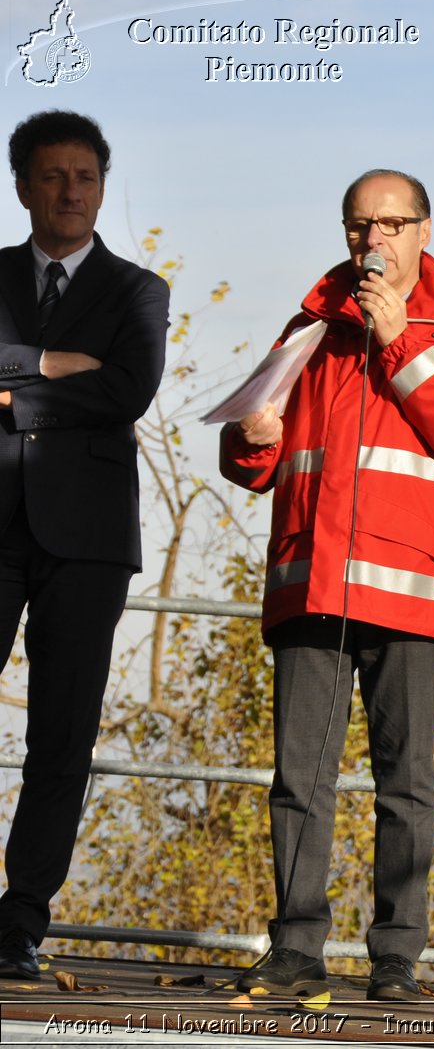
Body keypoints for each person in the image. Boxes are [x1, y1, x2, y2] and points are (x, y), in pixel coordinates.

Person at [219, 169, 434, 1001]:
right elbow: (254, 465)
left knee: (406, 781)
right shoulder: (311, 324)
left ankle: (396, 958)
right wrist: (252, 438)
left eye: (392, 223)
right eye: (360, 224)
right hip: (310, 583)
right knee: (298, 780)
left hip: (415, 590)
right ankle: (295, 948)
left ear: (426, 229)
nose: (373, 240)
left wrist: (403, 344)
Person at [0, 110, 169, 980]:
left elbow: (130, 389)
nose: (71, 191)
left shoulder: (139, 290)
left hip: (89, 537)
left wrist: (12, 378)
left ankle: (20, 920)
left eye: (86, 177)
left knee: (61, 734)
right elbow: (94, 382)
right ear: (22, 184)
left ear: (101, 186)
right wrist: (64, 365)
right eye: (53, 175)